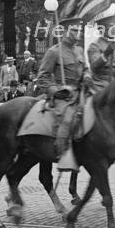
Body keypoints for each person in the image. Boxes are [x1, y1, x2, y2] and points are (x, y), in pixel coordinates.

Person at [35, 17, 91, 171]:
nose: (78, 33)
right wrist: (56, 91)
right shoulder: (54, 52)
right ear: (65, 32)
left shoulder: (79, 50)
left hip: (80, 93)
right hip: (63, 96)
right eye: (74, 30)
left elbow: (85, 69)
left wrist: (87, 76)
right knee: (68, 118)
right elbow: (42, 77)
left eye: (79, 30)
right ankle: (64, 155)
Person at [88, 17, 115, 92]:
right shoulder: (95, 46)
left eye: (114, 26)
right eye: (111, 26)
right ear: (102, 29)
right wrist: (106, 53)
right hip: (99, 85)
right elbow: (94, 66)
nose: (114, 29)